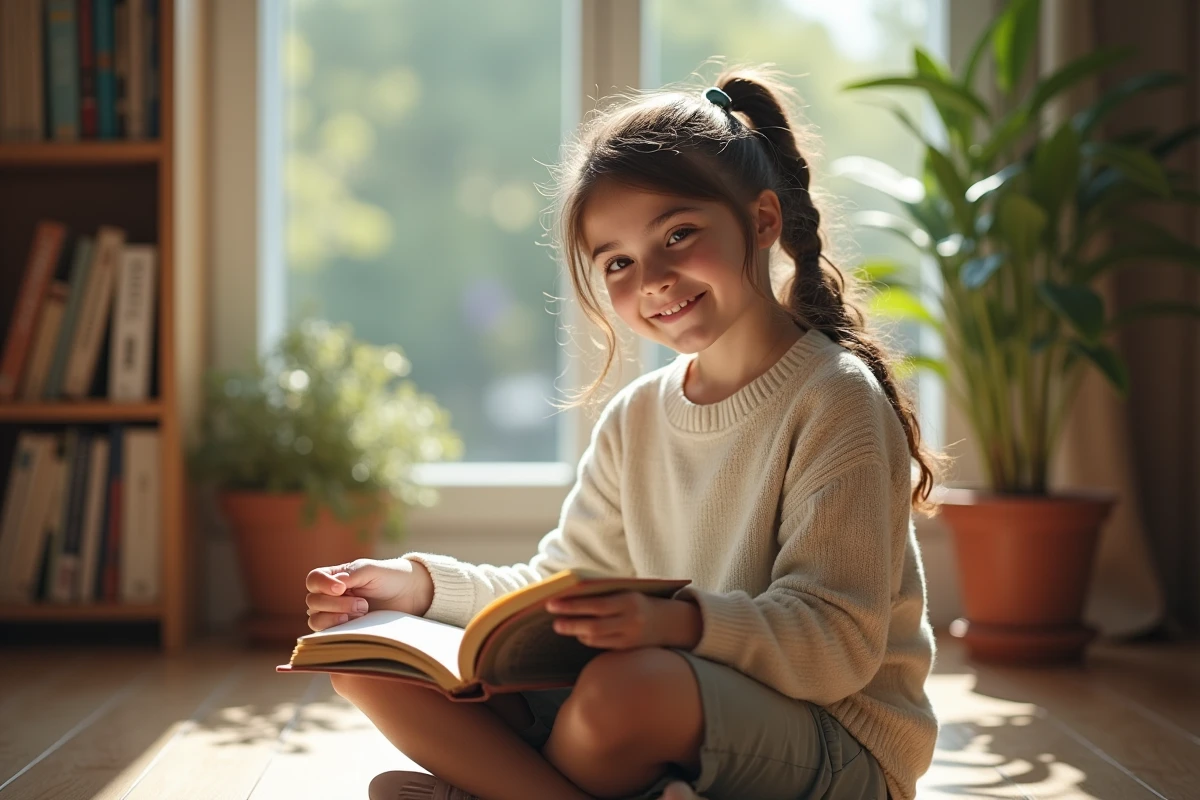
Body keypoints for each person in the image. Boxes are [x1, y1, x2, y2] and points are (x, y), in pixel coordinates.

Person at [304, 65, 943, 800]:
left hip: (835, 744)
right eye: (618, 262)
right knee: (360, 656)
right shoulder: (636, 416)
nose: (655, 279)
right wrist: (416, 589)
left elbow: (836, 646)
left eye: (678, 234)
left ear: (762, 220)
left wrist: (674, 624)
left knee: (628, 690)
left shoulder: (834, 398)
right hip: (665, 720)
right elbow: (553, 592)